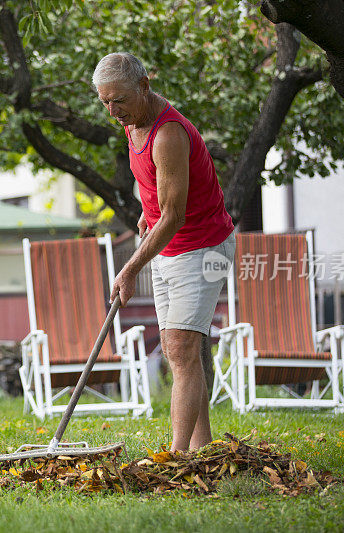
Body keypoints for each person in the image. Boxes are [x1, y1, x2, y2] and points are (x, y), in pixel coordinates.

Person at [93, 52, 235, 452]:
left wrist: (130, 268)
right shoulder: (132, 122)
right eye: (105, 101)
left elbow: (173, 216)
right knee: (183, 351)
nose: (112, 110)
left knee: (180, 346)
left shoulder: (168, 133)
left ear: (144, 86)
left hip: (202, 245)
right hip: (170, 247)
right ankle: (201, 448)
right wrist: (145, 209)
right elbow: (157, 183)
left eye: (118, 100)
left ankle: (175, 456)